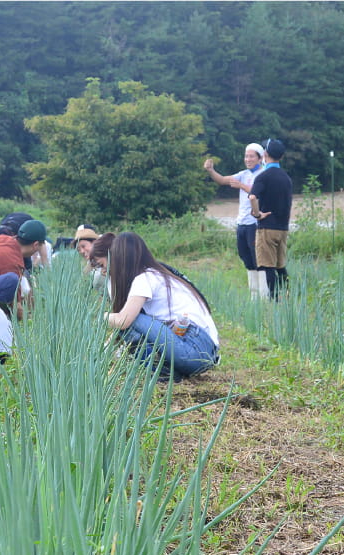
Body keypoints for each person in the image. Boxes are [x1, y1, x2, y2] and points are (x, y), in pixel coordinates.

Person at [103, 232, 220, 382]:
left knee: (132, 318)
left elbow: (123, 320)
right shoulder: (158, 274)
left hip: (194, 349)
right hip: (204, 353)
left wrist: (101, 315)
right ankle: (168, 373)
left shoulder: (144, 278)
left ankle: (161, 371)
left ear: (121, 259)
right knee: (132, 320)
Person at [204, 143, 266, 298]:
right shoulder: (243, 174)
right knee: (245, 257)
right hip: (242, 223)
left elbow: (260, 193)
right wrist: (211, 170)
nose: (248, 159)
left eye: (251, 156)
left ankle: (264, 295)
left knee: (257, 258)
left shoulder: (264, 174)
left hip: (256, 222)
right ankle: (254, 296)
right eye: (246, 156)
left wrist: (242, 186)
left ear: (260, 158)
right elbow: (223, 180)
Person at [249, 139, 293, 300]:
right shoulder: (286, 178)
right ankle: (288, 295)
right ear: (281, 156)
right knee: (280, 265)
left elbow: (253, 196)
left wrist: (257, 214)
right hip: (283, 228)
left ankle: (274, 300)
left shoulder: (263, 176)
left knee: (267, 266)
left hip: (266, 227)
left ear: (265, 154)